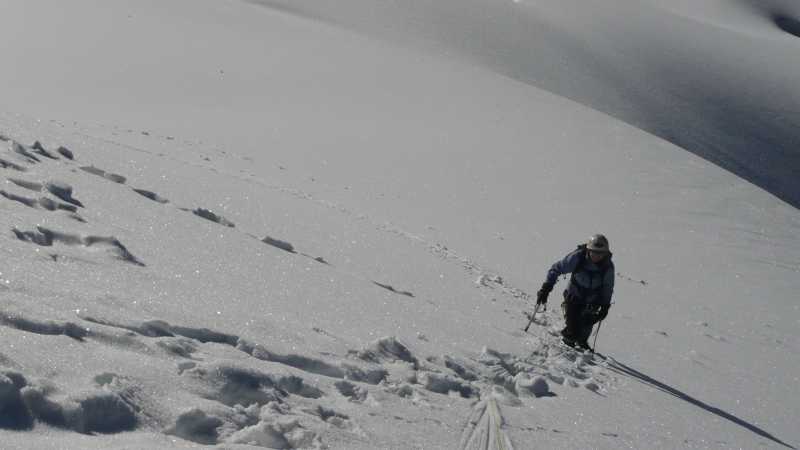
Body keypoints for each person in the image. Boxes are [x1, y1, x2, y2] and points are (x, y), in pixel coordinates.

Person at [536, 234, 615, 350]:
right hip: (574, 297)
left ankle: (581, 342)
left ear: (605, 253)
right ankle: (568, 342)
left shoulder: (607, 267)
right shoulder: (578, 258)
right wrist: (546, 287)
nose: (596, 256)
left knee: (585, 329)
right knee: (572, 333)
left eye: (600, 253)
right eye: (594, 252)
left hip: (593, 302)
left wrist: (605, 306)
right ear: (588, 250)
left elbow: (608, 287)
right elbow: (556, 269)